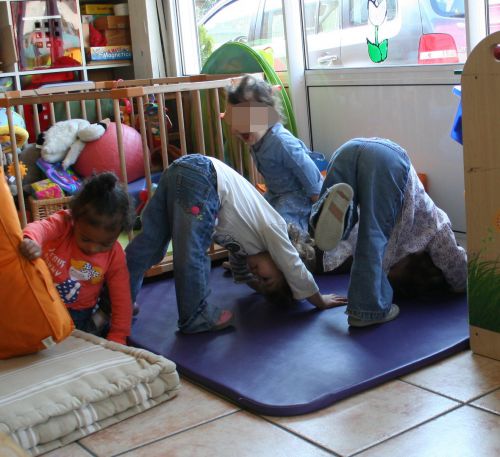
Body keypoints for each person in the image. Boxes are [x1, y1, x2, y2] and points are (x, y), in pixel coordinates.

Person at [125, 154, 343, 334]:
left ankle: (119, 300)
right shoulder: (274, 230)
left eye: (260, 280)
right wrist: (318, 300)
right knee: (193, 253)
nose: (256, 274)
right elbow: (294, 267)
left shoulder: (246, 251)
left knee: (150, 246)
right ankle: (195, 314)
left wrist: (257, 285)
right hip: (203, 178)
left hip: (180, 172)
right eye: (266, 278)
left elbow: (242, 272)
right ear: (281, 262)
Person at [294, 137, 467, 328]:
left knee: (343, 222)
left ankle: (322, 218)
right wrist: (461, 284)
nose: (387, 271)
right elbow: (453, 261)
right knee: (373, 237)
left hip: (348, 150)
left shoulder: (398, 246)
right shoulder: (432, 228)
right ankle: (367, 311)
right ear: (418, 261)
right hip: (389, 161)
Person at [20, 172, 135, 344]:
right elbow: (41, 228)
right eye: (85, 239)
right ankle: (103, 311)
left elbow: (122, 297)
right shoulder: (64, 223)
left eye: (104, 244)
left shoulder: (115, 254)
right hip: (45, 302)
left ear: (118, 235)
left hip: (79, 313)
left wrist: (118, 336)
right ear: (74, 219)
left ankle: (104, 312)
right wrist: (31, 241)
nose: (92, 248)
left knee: (85, 336)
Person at [225, 74, 324, 233]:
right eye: (234, 121)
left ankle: (296, 249)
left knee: (280, 226)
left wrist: (319, 203)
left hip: (298, 196)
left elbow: (306, 167)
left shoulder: (281, 142)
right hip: (275, 194)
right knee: (255, 220)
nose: (235, 129)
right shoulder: (257, 139)